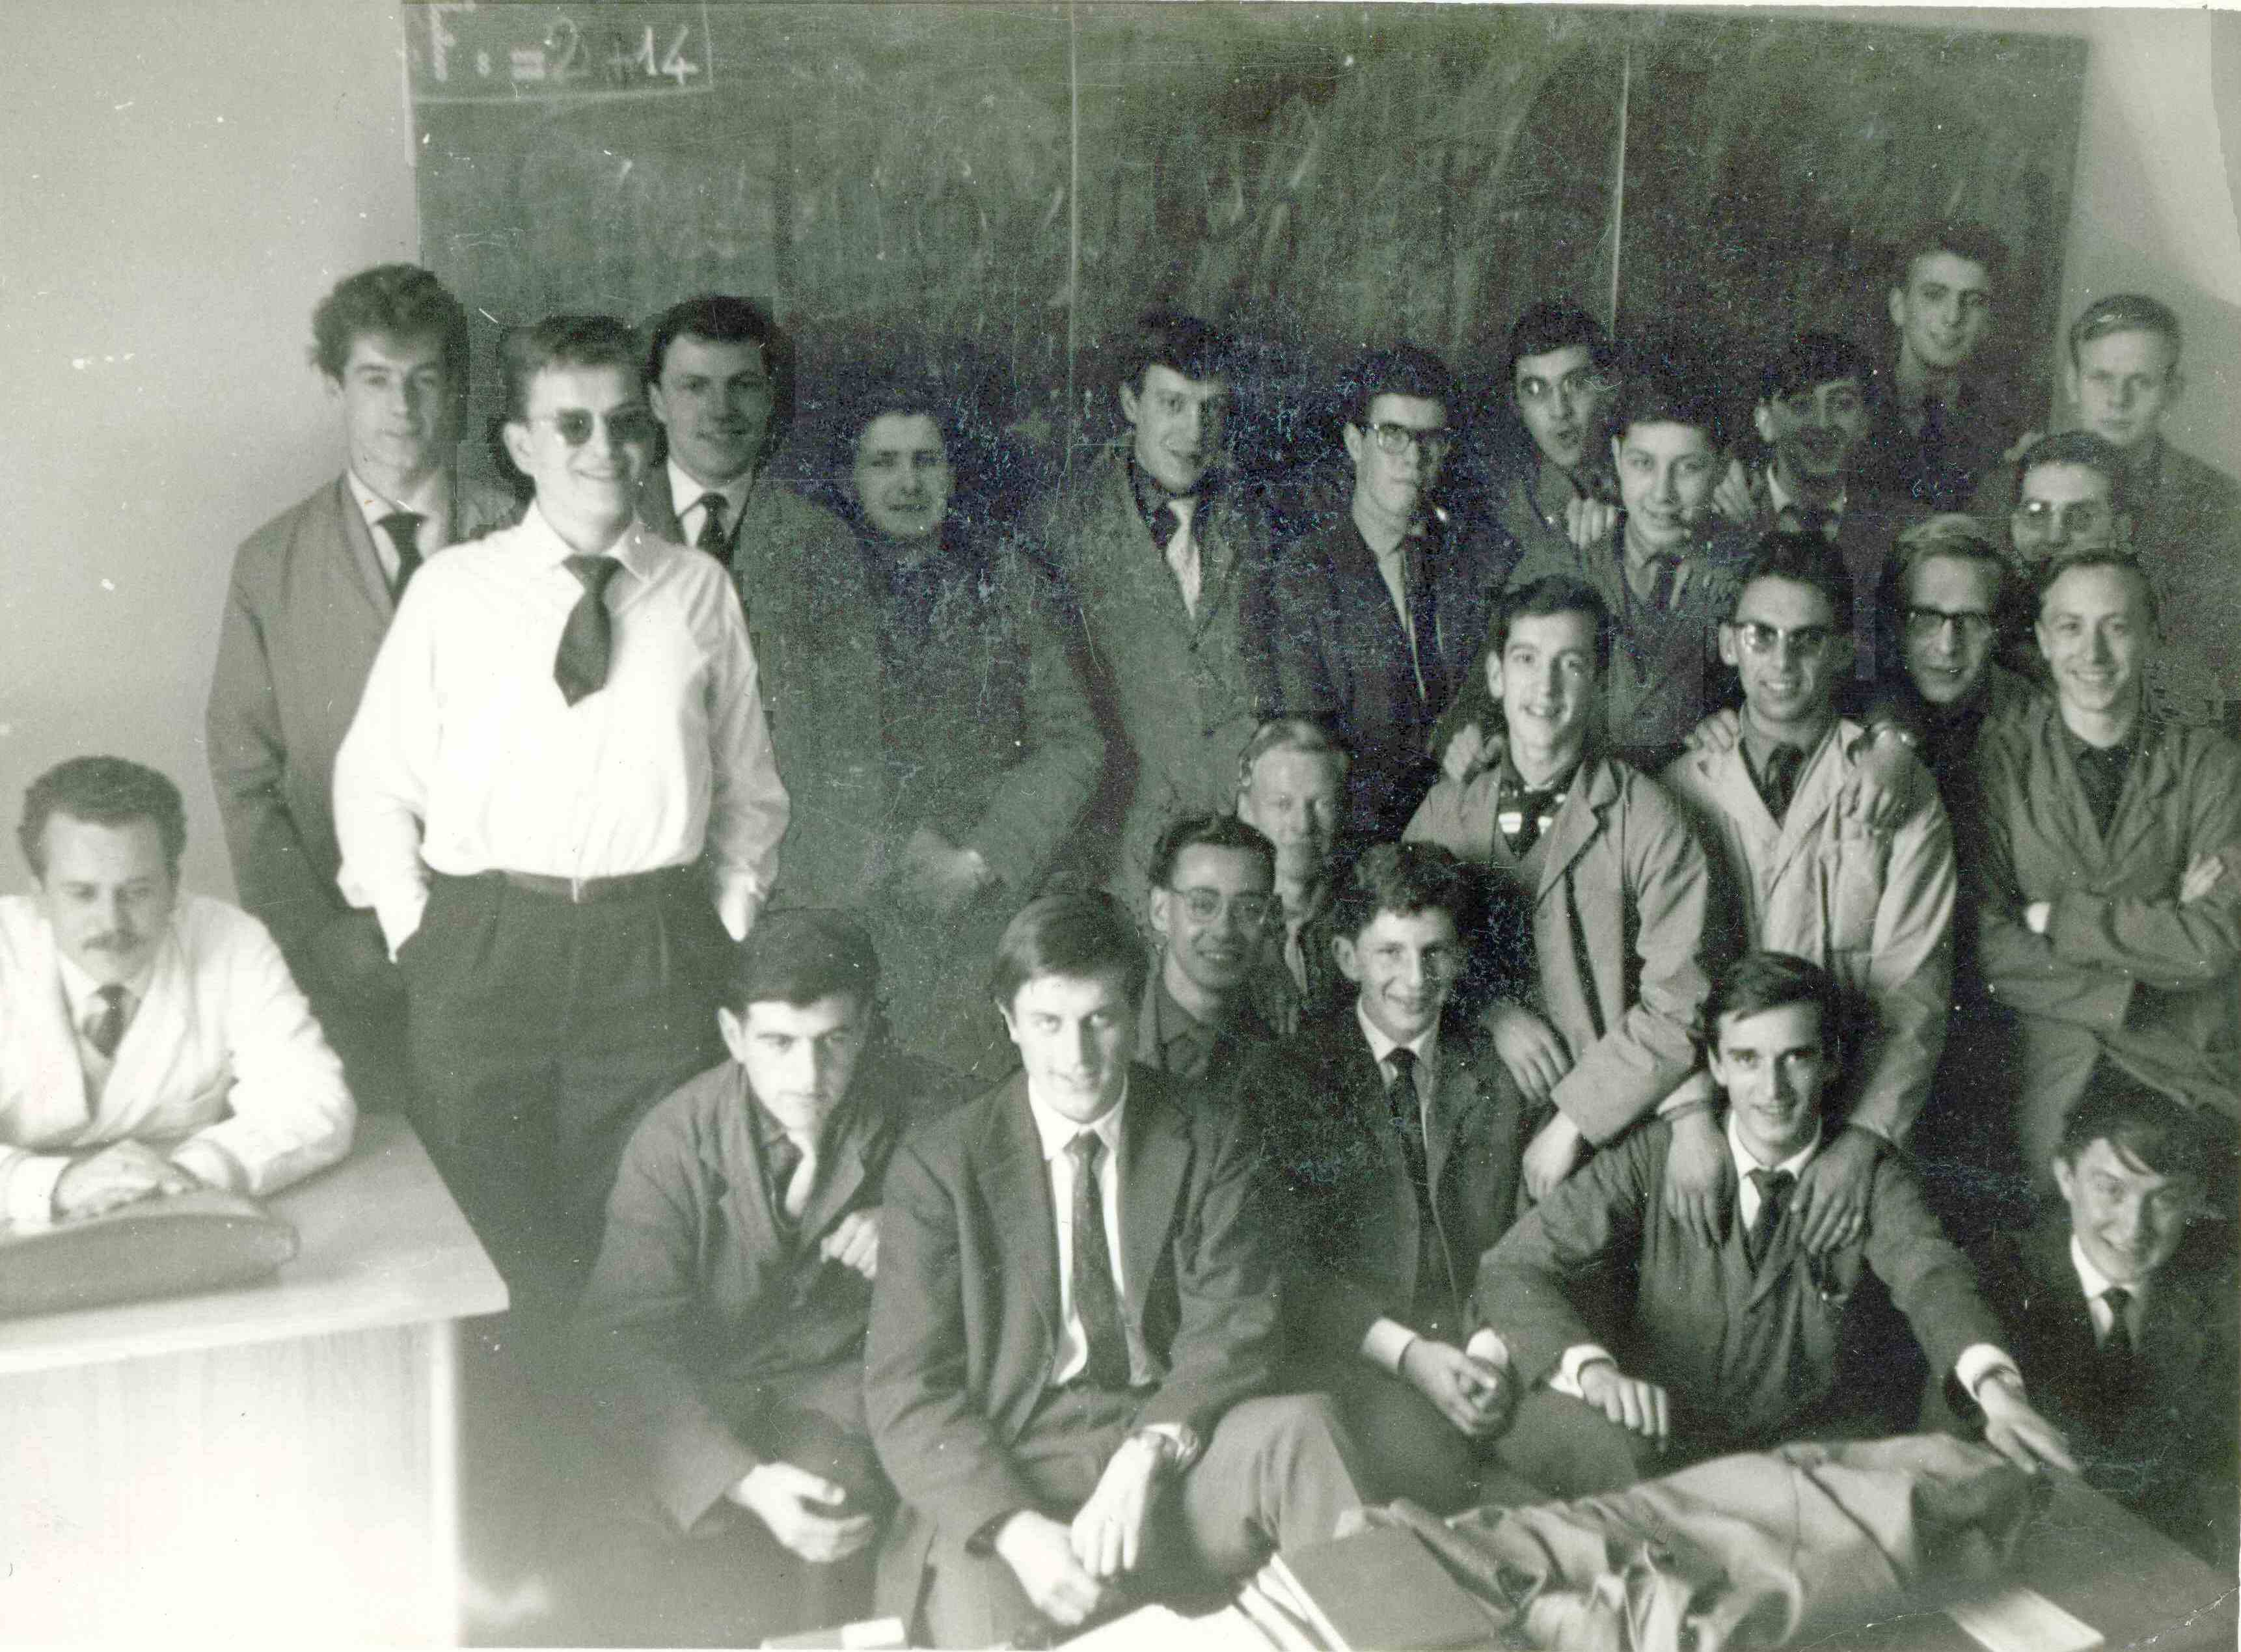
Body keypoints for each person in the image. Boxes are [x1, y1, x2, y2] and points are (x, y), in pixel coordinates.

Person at [333, 312, 790, 1309]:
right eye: (571, 425)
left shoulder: (697, 590)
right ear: (520, 445)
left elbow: (750, 791)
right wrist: (423, 936)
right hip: (488, 946)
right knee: (487, 1236)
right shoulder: (454, 591)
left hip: (651, 946)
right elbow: (374, 782)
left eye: (624, 422)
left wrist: (722, 924)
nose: (603, 448)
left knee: (642, 1230)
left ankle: (627, 1412)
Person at [863, 891, 1363, 1647]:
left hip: (1172, 1445)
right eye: (1048, 1023)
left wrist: (1148, 1450)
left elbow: (1235, 1323)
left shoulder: (1210, 1132)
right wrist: (1017, 1531)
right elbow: (908, 1390)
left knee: (1303, 1432)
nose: (1077, 1056)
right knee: (985, 1625)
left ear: (1136, 1011)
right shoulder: (940, 1166)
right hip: (1017, 1467)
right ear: (1009, 1021)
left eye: (1100, 1019)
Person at [1473, 951, 2073, 1497]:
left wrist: (1999, 1393)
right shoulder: (1651, 1156)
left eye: (1797, 1057)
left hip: (1805, 1470)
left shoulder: (1868, 1175)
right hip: (1668, 1460)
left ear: (1832, 1061)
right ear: (1716, 1065)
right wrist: (1593, 1370)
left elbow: (1932, 1276)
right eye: (1747, 1060)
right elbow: (1512, 1265)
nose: (1773, 1089)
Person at [572, 912, 958, 1645]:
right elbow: (620, 1343)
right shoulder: (674, 1142)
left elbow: (1019, 1219)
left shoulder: (932, 1114)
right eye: (779, 1043)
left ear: (866, 1029)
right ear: (733, 1036)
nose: (808, 1077)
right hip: (698, 1391)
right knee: (614, 1542)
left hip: (836, 1395)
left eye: (833, 1041)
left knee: (828, 1504)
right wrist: (739, 1479)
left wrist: (915, 1228)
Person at [206, 264, 517, 1114]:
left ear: (458, 388)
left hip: (515, 945)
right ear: (335, 385)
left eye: (425, 379)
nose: (402, 408)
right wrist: (314, 933)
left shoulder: (529, 534)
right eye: (376, 379)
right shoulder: (271, 563)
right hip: (350, 958)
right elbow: (245, 774)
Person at [1659, 535, 1955, 1247]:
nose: (1782, 662)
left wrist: (1859, 1142)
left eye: (1808, 639)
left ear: (1844, 652)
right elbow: (1657, 981)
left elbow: (1913, 993)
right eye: (1761, 636)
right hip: (1714, 1116)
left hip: (1852, 1109)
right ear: (1728, 644)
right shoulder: (1682, 787)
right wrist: (1691, 1118)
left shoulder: (1899, 788)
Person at [1238, 843, 1526, 1513]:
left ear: (1461, 957)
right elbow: (1287, 1264)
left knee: (1596, 1452)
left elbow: (1525, 1234)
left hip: (1486, 1342)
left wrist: (1489, 1350)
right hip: (1362, 1355)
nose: (1416, 978)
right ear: (1347, 958)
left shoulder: (1497, 1069)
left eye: (1435, 952)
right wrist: (1410, 1355)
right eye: (1390, 953)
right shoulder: (1288, 1077)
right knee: (1439, 1471)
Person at [1406, 578, 1715, 1197]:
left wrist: (1575, 1121)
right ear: (1496, 676)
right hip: (1460, 1119)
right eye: (1526, 660)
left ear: (1600, 683)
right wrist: (1494, 1011)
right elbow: (1389, 952)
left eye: (1570, 665)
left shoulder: (1648, 819)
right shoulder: (1446, 810)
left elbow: (1679, 1004)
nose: (1545, 688)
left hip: (1603, 1127)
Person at [838, 374, 1104, 1082]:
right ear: (851, 477)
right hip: (862, 896)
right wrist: (898, 848)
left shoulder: (1008, 580)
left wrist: (981, 858)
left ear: (953, 472)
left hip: (990, 902)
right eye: (884, 462)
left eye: (926, 461)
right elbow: (800, 754)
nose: (908, 484)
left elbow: (1074, 742)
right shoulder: (820, 584)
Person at [1965, 552, 2240, 1184]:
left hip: (2182, 1068)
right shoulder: (2000, 760)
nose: (2092, 653)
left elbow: (2214, 942)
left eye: (2116, 627)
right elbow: (1985, 941)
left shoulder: (2212, 766)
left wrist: (2055, 919)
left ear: (2151, 636)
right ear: (2042, 639)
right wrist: (2146, 959)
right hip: (2046, 1072)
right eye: (2070, 627)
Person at [0, 757, 353, 1221]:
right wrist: (58, 1185)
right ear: (40, 896)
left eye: (137, 891)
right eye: (82, 894)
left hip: (178, 1205)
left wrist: (191, 1171)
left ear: (173, 887)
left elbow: (314, 1099)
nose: (111, 922)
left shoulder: (231, 939)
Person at [638, 295, 888, 910]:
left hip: (786, 886)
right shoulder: (614, 525)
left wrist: (809, 890)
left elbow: (854, 743)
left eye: (743, 385)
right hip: (639, 882)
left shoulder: (822, 544)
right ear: (656, 401)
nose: (720, 410)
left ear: (771, 397)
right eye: (694, 387)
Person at [1040, 311, 1280, 912]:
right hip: (1120, 860)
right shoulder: (1062, 530)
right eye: (1173, 405)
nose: (1195, 432)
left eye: (1212, 409)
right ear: (1130, 403)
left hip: (1243, 848)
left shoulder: (1264, 520)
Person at [1943, 1073, 2236, 1564]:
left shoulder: (2223, 1298)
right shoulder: (1994, 1280)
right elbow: (1952, 1468)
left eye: (2165, 1198)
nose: (2134, 1227)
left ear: (2195, 1199)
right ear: (2066, 1177)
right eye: (2111, 1189)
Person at [1270, 345, 1516, 840]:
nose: (1414, 457)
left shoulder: (1477, 559)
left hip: (1470, 829)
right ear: (1354, 443)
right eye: (1392, 435)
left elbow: (1496, 688)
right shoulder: (1307, 576)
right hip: (1357, 841)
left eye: (1431, 439)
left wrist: (1482, 731)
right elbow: (1308, 744)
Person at [1486, 363, 1745, 771]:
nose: (1662, 494)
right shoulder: (1562, 561)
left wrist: (1728, 722)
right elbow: (1485, 709)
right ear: (1617, 457)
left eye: (1688, 467)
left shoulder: (1745, 577)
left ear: (1722, 467)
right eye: (1643, 464)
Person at [1715, 332, 1910, 684]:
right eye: (1801, 405)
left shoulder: (1902, 531)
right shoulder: (1720, 517)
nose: (1822, 424)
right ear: (1765, 420)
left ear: (1865, 422)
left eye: (1842, 404)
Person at [1858, 223, 2020, 512]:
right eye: (1934, 295)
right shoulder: (1856, 406)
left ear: (1988, 322)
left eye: (1974, 301)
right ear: (1898, 307)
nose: (1953, 317)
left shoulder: (2004, 430)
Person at [1140, 815, 1281, 1102]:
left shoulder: (1287, 1062)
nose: (1224, 930)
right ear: (1161, 911)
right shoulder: (1101, 1033)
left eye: (1249, 909)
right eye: (1203, 905)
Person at [1234, 719, 1350, 1034]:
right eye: (1283, 804)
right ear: (1246, 810)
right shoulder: (1221, 928)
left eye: (1323, 804)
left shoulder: (1365, 913)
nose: (1303, 824)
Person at [1488, 303, 1619, 571]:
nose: (1560, 410)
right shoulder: (1507, 516)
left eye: (1577, 383)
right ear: (1516, 404)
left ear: (1609, 387)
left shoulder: (1650, 479)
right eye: (1536, 390)